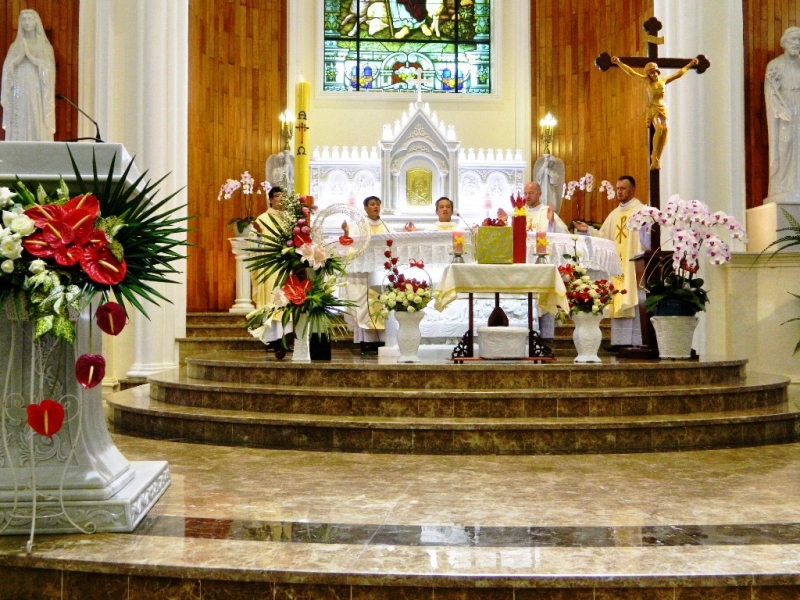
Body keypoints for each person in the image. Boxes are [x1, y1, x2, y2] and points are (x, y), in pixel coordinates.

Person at [574, 176, 649, 347]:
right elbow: (603, 237)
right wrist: (588, 230)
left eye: (623, 188)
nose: (619, 192)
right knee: (618, 299)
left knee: (632, 299)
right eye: (617, 189)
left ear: (632, 190)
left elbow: (648, 239)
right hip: (618, 269)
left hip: (633, 268)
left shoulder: (641, 212)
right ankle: (620, 343)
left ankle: (635, 342)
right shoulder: (614, 214)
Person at [612, 55, 698, 170]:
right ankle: (654, 156)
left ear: (658, 71)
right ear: (648, 74)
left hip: (662, 107)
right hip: (653, 108)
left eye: (655, 72)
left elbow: (678, 74)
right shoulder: (647, 82)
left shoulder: (663, 81)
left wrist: (690, 64)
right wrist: (618, 62)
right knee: (659, 128)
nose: (654, 74)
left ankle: (657, 157)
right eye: (651, 73)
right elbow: (631, 73)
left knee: (666, 129)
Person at [1, 9, 56, 142]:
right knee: (20, 116)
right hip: (18, 88)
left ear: (36, 22)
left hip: (37, 90)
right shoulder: (15, 46)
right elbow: (7, 69)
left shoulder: (45, 46)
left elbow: (48, 69)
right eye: (23, 19)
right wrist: (19, 58)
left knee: (36, 116)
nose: (26, 22)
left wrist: (30, 56)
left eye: (30, 19)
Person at [249, 186, 293, 352]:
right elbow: (253, 244)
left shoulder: (289, 220)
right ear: (271, 200)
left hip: (286, 266)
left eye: (283, 196)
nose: (281, 199)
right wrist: (258, 234)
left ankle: (286, 338)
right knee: (271, 299)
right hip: (269, 266)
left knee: (286, 299)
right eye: (277, 196)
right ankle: (271, 340)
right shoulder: (262, 219)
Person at [765, 27, 800, 200]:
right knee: (786, 144)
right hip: (785, 109)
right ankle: (782, 185)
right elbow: (770, 91)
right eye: (793, 39)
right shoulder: (775, 65)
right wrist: (779, 108)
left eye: (799, 40)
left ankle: (797, 185)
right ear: (784, 42)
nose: (797, 43)